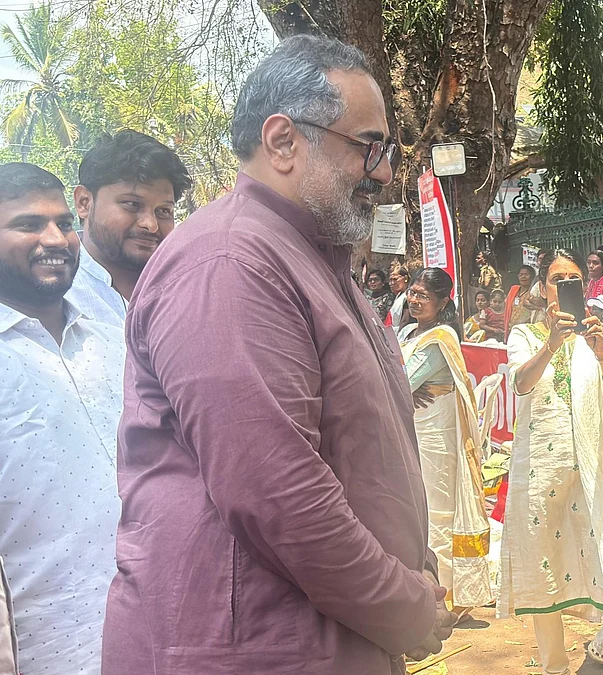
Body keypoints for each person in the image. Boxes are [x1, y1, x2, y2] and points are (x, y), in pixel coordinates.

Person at [103, 35, 455, 674]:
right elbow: (278, 495)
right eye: (368, 146)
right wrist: (405, 607)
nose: (383, 172)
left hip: (328, 637)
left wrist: (410, 579)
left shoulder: (312, 259)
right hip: (252, 649)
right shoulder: (231, 262)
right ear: (284, 141)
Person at [0, 163, 125, 675]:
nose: (55, 239)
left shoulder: (117, 341)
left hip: (159, 636)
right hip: (47, 654)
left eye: (64, 223)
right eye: (28, 224)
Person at [500, 249, 603, 675]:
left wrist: (600, 351)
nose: (563, 285)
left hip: (595, 469)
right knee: (543, 563)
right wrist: (551, 344)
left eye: (572, 279)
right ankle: (554, 667)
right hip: (540, 471)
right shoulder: (525, 335)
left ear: (585, 287)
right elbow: (521, 384)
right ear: (543, 287)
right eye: (555, 279)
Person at [397, 268, 493, 612]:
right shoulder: (408, 331)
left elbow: (401, 382)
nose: (414, 300)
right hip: (410, 428)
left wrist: (407, 389)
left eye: (423, 296)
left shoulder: (441, 337)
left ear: (441, 303)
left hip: (435, 435)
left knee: (436, 510)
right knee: (413, 507)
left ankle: (447, 595)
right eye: (412, 292)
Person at [66, 129, 192, 328]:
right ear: (84, 203)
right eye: (132, 204)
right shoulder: (55, 293)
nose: (151, 224)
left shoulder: (186, 287)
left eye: (163, 211)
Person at [505, 263, 537, 335]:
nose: (523, 277)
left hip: (525, 330)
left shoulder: (533, 292)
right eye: (521, 274)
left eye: (526, 274)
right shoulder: (513, 290)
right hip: (510, 329)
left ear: (532, 277)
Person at [387, 262, 410, 329]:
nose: (392, 283)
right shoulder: (399, 295)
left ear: (405, 278)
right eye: (391, 280)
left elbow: (405, 321)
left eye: (395, 279)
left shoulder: (408, 296)